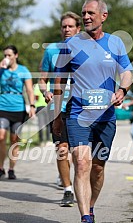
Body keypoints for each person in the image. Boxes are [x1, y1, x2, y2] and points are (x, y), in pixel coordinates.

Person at [53, 0, 132, 223]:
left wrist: (123, 89)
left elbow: (126, 70)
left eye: (90, 13)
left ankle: (91, 206)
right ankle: (85, 217)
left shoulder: (115, 43)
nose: (86, 17)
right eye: (83, 13)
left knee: (97, 168)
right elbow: (58, 83)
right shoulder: (70, 45)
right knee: (82, 162)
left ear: (103, 16)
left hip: (106, 116)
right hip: (78, 114)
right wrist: (57, 116)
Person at [39, 12, 81, 206]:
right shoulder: (51, 50)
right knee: (62, 149)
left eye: (70, 26)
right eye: (64, 26)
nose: (66, 30)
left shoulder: (85, 49)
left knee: (79, 153)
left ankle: (78, 183)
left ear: (78, 29)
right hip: (58, 106)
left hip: (80, 106)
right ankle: (67, 189)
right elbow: (42, 81)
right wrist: (46, 92)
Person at [0, 45, 35, 179]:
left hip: (18, 108)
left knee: (14, 139)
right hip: (2, 106)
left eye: (9, 55)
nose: (7, 58)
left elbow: (30, 90)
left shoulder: (23, 70)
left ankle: (11, 169)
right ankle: (0, 167)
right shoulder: (1, 69)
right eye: (5, 55)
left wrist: (32, 106)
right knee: (1, 136)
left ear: (16, 55)